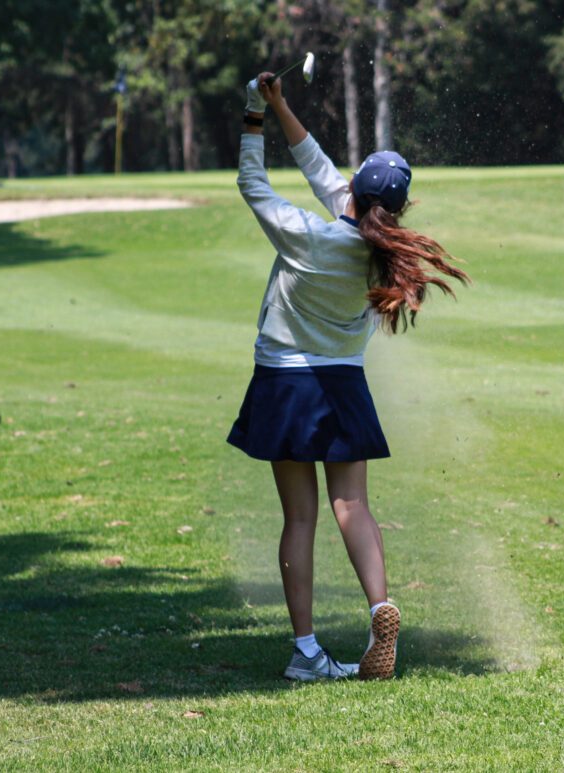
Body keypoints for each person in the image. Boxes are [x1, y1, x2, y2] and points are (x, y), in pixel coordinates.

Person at [228, 70, 468, 681]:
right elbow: (321, 172)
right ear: (399, 208)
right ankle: (380, 606)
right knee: (353, 505)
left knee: (300, 518)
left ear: (355, 193)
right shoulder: (380, 249)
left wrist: (254, 117)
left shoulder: (309, 237)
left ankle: (306, 652)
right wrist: (282, 106)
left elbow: (252, 184)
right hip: (343, 384)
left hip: (285, 382)